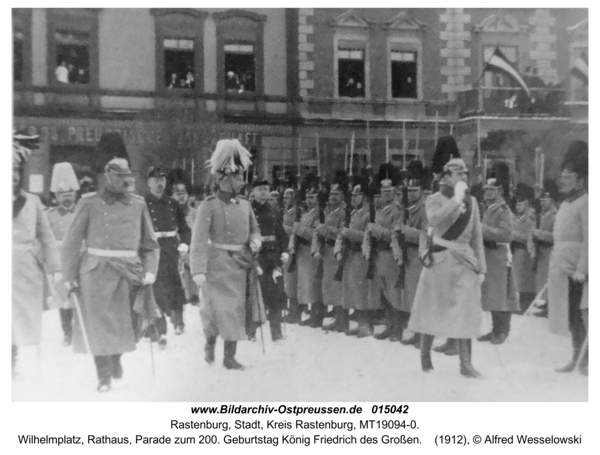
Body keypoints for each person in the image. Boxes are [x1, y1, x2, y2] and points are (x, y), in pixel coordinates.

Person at [61, 157, 160, 392]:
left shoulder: (138, 204)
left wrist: (150, 271)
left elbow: (150, 244)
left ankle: (115, 358)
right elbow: (71, 242)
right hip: (95, 273)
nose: (125, 181)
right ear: (108, 176)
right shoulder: (89, 203)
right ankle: (103, 375)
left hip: (129, 272)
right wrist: (69, 274)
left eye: (127, 176)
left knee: (127, 322)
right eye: (119, 176)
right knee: (99, 325)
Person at [408, 158, 486, 378]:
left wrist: (482, 268)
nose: (463, 178)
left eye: (465, 174)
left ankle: (466, 364)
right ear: (445, 177)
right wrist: (456, 200)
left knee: (466, 313)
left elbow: (477, 237)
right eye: (457, 174)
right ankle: (425, 358)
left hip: (465, 261)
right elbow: (433, 220)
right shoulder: (433, 199)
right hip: (440, 259)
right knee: (432, 309)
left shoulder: (473, 203)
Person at [190, 139, 263, 370]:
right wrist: (198, 270)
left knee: (235, 310)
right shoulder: (208, 206)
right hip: (216, 265)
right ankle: (210, 342)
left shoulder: (245, 204)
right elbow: (198, 240)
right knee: (214, 311)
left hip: (240, 265)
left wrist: (255, 240)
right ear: (225, 177)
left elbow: (254, 229)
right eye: (239, 177)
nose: (243, 182)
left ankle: (229, 357)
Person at [12, 132, 62, 377]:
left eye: (14, 171)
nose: (10, 176)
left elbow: (47, 238)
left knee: (18, 320)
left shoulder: (31, 202)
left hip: (24, 272)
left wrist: (56, 268)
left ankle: (12, 360)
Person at [549, 141, 588, 376]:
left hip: (579, 269)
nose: (562, 180)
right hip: (564, 267)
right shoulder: (566, 203)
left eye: (568, 176)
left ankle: (587, 359)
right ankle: (577, 356)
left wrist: (583, 268)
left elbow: (591, 239)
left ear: (580, 179)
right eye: (562, 176)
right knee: (572, 315)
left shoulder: (587, 202)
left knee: (584, 314)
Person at [145, 167, 191, 344]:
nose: (160, 184)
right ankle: (158, 328)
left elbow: (185, 229)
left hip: (171, 250)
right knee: (153, 288)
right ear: (149, 182)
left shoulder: (173, 204)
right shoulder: (143, 203)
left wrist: (184, 243)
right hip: (152, 250)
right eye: (156, 180)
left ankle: (178, 321)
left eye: (162, 180)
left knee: (174, 286)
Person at [478, 162, 519, 345]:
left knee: (502, 295)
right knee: (492, 295)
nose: (487, 192)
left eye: (491, 189)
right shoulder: (488, 208)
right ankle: (495, 329)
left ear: (500, 190)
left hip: (499, 254)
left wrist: (482, 229)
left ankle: (503, 331)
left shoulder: (504, 210)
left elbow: (506, 234)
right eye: (486, 188)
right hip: (488, 255)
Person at [337, 179, 380, 336]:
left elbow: (369, 237)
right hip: (351, 255)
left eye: (357, 194)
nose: (353, 197)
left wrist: (349, 233)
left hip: (362, 256)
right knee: (353, 291)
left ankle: (366, 326)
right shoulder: (354, 213)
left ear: (365, 196)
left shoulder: (369, 215)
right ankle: (360, 323)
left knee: (362, 292)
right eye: (352, 194)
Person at [394, 161, 428, 347]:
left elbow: (427, 234)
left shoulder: (425, 209)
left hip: (419, 255)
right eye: (410, 190)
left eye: (416, 190)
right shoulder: (406, 208)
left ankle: (422, 335)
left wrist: (407, 231)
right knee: (409, 296)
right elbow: (397, 229)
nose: (412, 193)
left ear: (422, 191)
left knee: (418, 296)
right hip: (406, 254)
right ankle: (415, 333)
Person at [46, 162, 80, 346]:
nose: (67, 199)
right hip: (60, 261)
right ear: (56, 196)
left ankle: (80, 330)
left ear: (75, 194)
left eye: (70, 195)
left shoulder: (82, 212)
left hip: (79, 258)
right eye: (62, 195)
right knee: (64, 298)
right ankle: (67, 332)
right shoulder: (50, 215)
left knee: (80, 296)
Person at [251, 179, 287, 341]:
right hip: (256, 256)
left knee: (275, 295)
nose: (264, 192)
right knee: (256, 295)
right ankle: (250, 330)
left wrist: (285, 251)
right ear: (254, 192)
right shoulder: (249, 210)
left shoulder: (273, 210)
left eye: (266, 189)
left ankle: (276, 333)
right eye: (260, 189)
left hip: (272, 256)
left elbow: (280, 233)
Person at [369, 167, 403, 341]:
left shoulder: (397, 210)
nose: (386, 194)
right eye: (383, 191)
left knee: (393, 292)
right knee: (384, 291)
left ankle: (397, 328)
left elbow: (394, 234)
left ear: (395, 192)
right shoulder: (382, 209)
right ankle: (390, 325)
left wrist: (376, 230)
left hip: (390, 252)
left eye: (389, 191)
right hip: (380, 254)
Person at [313, 177, 347, 332]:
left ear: (342, 196)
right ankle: (336, 318)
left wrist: (324, 229)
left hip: (337, 250)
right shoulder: (328, 210)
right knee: (329, 286)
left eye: (337, 194)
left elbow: (342, 232)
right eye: (332, 193)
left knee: (338, 287)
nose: (333, 196)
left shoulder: (344, 211)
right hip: (327, 250)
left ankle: (342, 321)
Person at [294, 176, 324, 327]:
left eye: (312, 197)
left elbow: (316, 234)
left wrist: (300, 229)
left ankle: (317, 316)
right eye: (308, 196)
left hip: (313, 250)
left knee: (314, 284)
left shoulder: (319, 214)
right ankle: (312, 314)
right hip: (303, 252)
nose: (309, 199)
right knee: (306, 285)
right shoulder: (305, 213)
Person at [528, 180, 559, 317]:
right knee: (541, 279)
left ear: (551, 201)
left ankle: (551, 308)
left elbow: (555, 236)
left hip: (550, 251)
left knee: (550, 281)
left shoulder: (555, 216)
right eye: (541, 201)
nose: (542, 203)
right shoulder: (540, 216)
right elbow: (532, 231)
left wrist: (539, 233)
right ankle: (545, 305)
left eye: (545, 200)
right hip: (540, 252)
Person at [511, 184, 537, 313]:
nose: (517, 207)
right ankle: (522, 303)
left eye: (520, 205)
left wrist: (514, 235)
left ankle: (525, 304)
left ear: (526, 204)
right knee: (520, 279)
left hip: (525, 251)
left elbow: (530, 235)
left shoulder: (530, 217)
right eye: (517, 205)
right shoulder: (518, 217)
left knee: (525, 280)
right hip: (518, 251)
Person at [281, 187, 302, 323]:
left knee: (292, 282)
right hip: (286, 248)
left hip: (293, 248)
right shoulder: (286, 211)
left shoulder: (297, 212)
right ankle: (292, 311)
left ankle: (295, 313)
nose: (285, 199)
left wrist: (281, 227)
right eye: (284, 197)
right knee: (288, 282)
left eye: (288, 197)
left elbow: (296, 230)